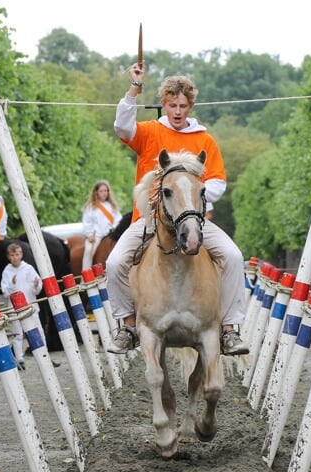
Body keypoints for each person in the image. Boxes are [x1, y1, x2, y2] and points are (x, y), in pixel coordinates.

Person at [108, 66, 248, 356]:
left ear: (190, 106)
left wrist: (191, 205)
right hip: (148, 220)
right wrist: (134, 88)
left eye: (183, 106)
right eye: (172, 105)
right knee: (114, 262)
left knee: (234, 257)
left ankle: (230, 330)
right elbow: (122, 127)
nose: (177, 111)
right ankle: (128, 326)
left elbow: (218, 181)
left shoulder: (204, 140)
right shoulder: (148, 132)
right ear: (164, 104)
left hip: (192, 221)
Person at [0, 242, 44, 371]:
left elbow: (37, 288)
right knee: (18, 334)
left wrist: (36, 285)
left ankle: (43, 353)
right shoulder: (7, 271)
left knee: (38, 331)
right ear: (9, 256)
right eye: (12, 255)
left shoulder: (28, 268)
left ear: (21, 254)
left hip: (30, 305)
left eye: (17, 254)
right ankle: (19, 358)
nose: (15, 257)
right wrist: (12, 285)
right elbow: (5, 291)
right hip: (15, 308)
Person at [81, 180, 122, 271]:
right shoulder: (91, 206)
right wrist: (90, 234)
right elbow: (87, 222)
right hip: (97, 235)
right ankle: (86, 274)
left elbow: (118, 220)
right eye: (101, 191)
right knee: (88, 251)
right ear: (96, 192)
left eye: (106, 191)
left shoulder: (112, 206)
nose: (104, 193)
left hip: (111, 235)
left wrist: (115, 229)